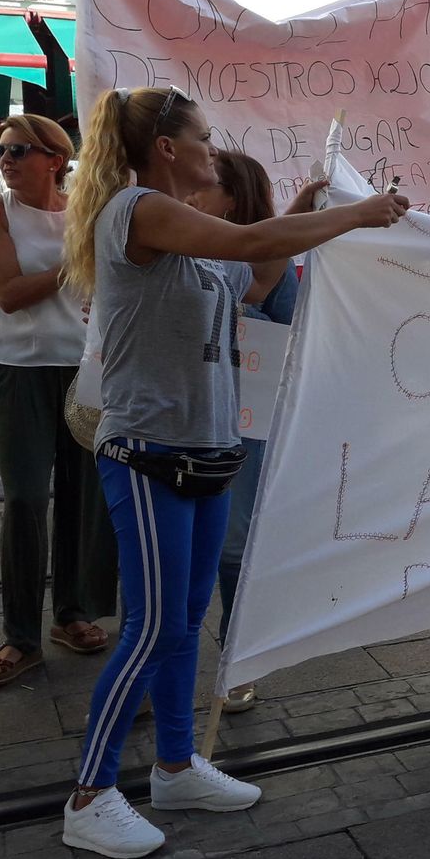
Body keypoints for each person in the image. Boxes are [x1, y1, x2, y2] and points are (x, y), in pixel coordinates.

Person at [60, 85, 408, 859]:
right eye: (204, 138)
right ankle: (89, 793)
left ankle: (177, 766)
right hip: (147, 453)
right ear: (166, 148)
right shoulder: (136, 210)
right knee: (150, 627)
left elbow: (253, 277)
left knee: (184, 625)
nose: (213, 150)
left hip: (207, 452)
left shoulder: (190, 238)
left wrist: (308, 206)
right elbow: (250, 247)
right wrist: (354, 213)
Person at [0, 115, 118, 690]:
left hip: (82, 369)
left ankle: (71, 614)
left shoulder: (85, 212)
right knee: (26, 499)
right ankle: (19, 635)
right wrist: (79, 261)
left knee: (82, 498)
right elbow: (9, 295)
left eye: (18, 150)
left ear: (55, 159)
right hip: (18, 370)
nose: (5, 159)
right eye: (0, 149)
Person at [182, 150, 299, 715]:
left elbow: (290, 329)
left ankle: (236, 657)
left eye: (205, 184)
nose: (191, 192)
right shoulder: (175, 239)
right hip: (180, 414)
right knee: (172, 549)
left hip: (244, 420)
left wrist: (243, 324)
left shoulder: (270, 256)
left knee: (233, 543)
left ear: (232, 197)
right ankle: (156, 672)